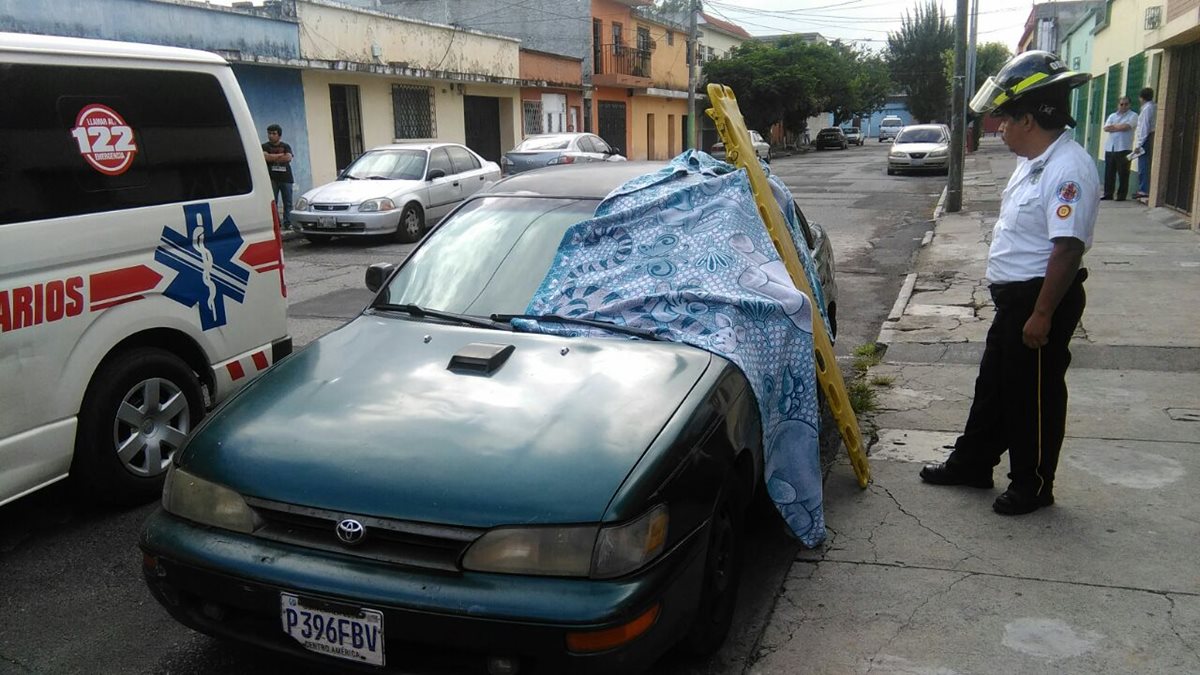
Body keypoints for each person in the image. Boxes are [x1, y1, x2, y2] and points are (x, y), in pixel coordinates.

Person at [919, 51, 1097, 515]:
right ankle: (973, 463)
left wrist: (1042, 313)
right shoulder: (1034, 160)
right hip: (1015, 300)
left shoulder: (1068, 168)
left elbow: (1067, 248)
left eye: (1005, 120)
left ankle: (1033, 484)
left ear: (1029, 120)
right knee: (994, 387)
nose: (998, 128)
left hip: (1040, 298)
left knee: (1032, 397)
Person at [1100, 96, 1138, 201]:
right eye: (1121, 104)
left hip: (1124, 148)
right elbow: (1106, 128)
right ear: (1118, 105)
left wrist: (1114, 127)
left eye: (1126, 104)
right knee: (1109, 173)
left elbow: (1127, 127)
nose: (1123, 106)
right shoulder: (1112, 115)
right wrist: (1119, 127)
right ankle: (1108, 194)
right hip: (1110, 148)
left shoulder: (1133, 115)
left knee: (1123, 173)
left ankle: (1121, 195)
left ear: (1129, 105)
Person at [262, 124, 296, 230]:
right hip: (272, 178)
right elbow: (265, 157)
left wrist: (272, 157)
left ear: (279, 135)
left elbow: (288, 158)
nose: (271, 136)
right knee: (273, 202)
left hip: (286, 178)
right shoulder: (265, 146)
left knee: (288, 202)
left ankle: (288, 223)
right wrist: (280, 156)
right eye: (269, 133)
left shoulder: (286, 146)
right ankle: (276, 224)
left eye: (274, 133)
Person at [1133, 87, 1156, 200]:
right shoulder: (1154, 106)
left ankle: (1144, 189)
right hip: (1150, 136)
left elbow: (1144, 127)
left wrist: (1139, 144)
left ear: (1141, 98)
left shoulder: (1147, 109)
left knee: (1143, 165)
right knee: (1146, 163)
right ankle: (1144, 188)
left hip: (1146, 138)